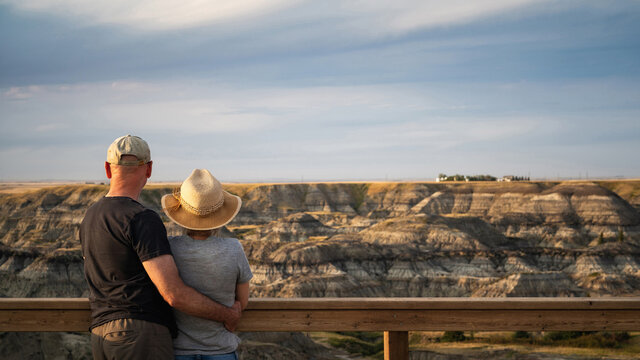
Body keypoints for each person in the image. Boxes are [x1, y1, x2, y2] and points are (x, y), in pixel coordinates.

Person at [80, 135, 241, 360]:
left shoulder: (90, 216)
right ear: (149, 169)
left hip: (100, 334)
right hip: (139, 335)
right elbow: (173, 294)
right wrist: (228, 314)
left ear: (107, 169)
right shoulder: (141, 218)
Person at [161, 168, 252, 360]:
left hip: (178, 351)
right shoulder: (234, 248)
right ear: (220, 215)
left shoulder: (169, 248)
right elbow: (242, 302)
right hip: (221, 350)